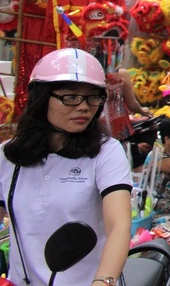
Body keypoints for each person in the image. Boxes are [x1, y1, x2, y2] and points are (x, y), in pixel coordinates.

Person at [0, 49, 131, 286]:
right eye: (71, 96)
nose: (84, 107)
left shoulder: (106, 151)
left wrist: (104, 281)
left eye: (93, 97)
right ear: (41, 98)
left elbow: (118, 225)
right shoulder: (8, 155)